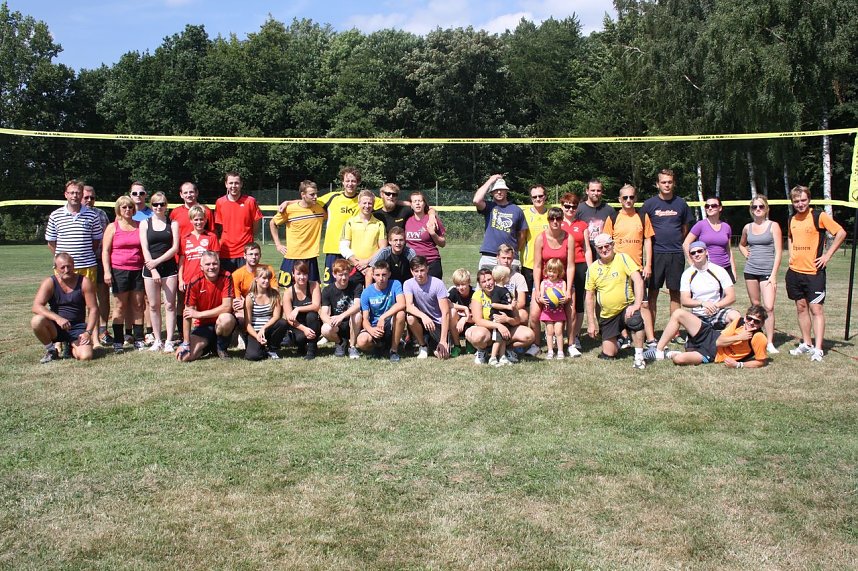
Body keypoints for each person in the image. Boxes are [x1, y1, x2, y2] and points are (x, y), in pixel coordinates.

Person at [785, 185, 847, 362]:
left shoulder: (818, 216)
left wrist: (827, 255)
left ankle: (818, 349)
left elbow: (841, 232)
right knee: (801, 307)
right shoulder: (792, 219)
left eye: (803, 200)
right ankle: (806, 343)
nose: (800, 204)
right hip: (795, 272)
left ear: (809, 200)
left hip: (814, 273)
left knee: (816, 309)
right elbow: (790, 237)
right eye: (796, 201)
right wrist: (791, 255)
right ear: (792, 202)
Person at [640, 169, 693, 342]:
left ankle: (674, 332)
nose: (667, 185)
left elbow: (685, 229)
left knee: (675, 294)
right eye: (663, 182)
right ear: (657, 184)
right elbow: (642, 229)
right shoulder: (649, 205)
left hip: (676, 254)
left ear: (674, 183)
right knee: (653, 293)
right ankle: (651, 333)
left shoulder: (681, 204)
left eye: (669, 182)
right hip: (656, 255)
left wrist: (677, 242)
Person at [602, 184, 656, 345]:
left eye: (631, 197)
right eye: (625, 197)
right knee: (620, 305)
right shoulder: (613, 217)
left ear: (635, 198)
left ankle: (651, 338)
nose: (628, 200)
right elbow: (606, 244)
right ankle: (624, 337)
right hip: (618, 270)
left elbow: (648, 240)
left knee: (643, 304)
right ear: (619, 199)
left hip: (637, 269)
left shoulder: (642, 216)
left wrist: (648, 265)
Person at [584, 233, 647, 369]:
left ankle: (639, 357)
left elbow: (638, 280)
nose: (604, 250)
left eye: (607, 246)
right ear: (596, 249)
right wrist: (591, 323)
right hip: (608, 315)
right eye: (600, 248)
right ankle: (621, 339)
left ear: (613, 245)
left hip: (626, 308)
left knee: (635, 320)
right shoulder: (593, 269)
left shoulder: (623, 258)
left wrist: (636, 304)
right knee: (609, 354)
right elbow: (589, 297)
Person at [312, 167, 380, 287]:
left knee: (351, 286)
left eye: (353, 181)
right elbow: (309, 200)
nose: (350, 184)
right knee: (330, 286)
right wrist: (288, 203)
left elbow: (389, 201)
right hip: (333, 249)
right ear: (342, 182)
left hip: (353, 253)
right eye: (347, 181)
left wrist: (407, 203)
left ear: (358, 182)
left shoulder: (363, 199)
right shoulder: (332, 197)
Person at [644, 305, 769, 369]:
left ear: (762, 323)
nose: (751, 323)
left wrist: (738, 365)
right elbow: (719, 340)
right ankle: (658, 351)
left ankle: (671, 354)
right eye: (749, 318)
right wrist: (738, 337)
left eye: (756, 321)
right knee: (678, 313)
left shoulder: (758, 337)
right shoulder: (739, 321)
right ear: (746, 316)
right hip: (711, 335)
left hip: (712, 353)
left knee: (679, 360)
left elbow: (761, 362)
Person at [31, 253, 99, 363]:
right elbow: (36, 306)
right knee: (36, 321)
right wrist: (57, 318)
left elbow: (93, 309)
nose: (66, 270)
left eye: (69, 266)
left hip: (77, 327)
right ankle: (51, 350)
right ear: (56, 268)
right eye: (62, 267)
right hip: (56, 327)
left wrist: (88, 332)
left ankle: (71, 346)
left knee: (86, 356)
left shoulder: (84, 282)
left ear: (74, 266)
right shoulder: (50, 282)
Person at [529, 207, 576, 357]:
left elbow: (570, 266)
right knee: (534, 315)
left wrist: (568, 290)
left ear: (562, 220)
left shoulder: (569, 238)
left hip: (563, 283)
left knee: (571, 313)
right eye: (552, 218)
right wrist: (537, 289)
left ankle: (571, 344)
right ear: (548, 220)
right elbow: (536, 266)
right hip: (545, 283)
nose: (555, 221)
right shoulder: (540, 238)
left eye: (558, 218)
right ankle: (536, 344)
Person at [738, 196, 782, 353]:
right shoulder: (747, 227)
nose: (758, 209)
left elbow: (778, 252)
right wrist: (747, 254)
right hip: (751, 271)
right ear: (751, 209)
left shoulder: (773, 226)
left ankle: (770, 342)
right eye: (755, 207)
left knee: (768, 307)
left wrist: (774, 275)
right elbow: (741, 244)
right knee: (756, 306)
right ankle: (757, 336)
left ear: (766, 209)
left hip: (767, 272)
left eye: (761, 206)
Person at [102, 195, 146, 352]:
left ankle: (139, 338)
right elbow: (105, 251)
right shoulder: (112, 227)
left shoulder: (141, 225)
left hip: (138, 271)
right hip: (119, 270)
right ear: (118, 209)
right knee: (120, 306)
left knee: (138, 305)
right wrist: (107, 272)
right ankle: (118, 341)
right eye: (124, 207)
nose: (128, 210)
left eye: (130, 207)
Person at [466, 268, 536, 365]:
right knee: (478, 336)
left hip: (506, 330)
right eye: (483, 281)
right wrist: (499, 326)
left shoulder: (505, 293)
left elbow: (517, 320)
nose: (488, 283)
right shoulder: (477, 295)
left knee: (529, 335)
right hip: (486, 330)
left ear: (494, 279)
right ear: (480, 284)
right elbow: (478, 320)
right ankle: (483, 350)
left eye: (489, 279)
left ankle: (506, 350)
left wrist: (507, 319)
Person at [139, 191, 180, 352]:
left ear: (166, 205)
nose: (158, 207)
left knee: (170, 305)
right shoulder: (145, 223)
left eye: (162, 204)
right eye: (155, 204)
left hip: (169, 268)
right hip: (150, 270)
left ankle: (169, 340)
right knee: (154, 306)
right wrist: (153, 268)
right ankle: (157, 340)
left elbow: (175, 248)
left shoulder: (173, 223)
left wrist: (158, 262)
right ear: (151, 205)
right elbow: (144, 248)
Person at [177, 251, 236, 361]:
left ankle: (221, 348)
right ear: (201, 267)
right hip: (203, 326)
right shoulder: (194, 282)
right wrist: (186, 342)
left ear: (219, 264)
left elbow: (227, 307)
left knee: (227, 318)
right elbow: (187, 314)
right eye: (208, 264)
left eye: (215, 264)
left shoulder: (227, 276)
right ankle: (209, 346)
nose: (211, 267)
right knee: (183, 356)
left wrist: (199, 314)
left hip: (220, 322)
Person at [45, 180, 104, 286]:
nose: (75, 196)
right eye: (71, 193)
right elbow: (51, 243)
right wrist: (62, 259)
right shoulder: (55, 215)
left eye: (77, 193)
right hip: (64, 268)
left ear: (81, 194)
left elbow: (96, 241)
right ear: (66, 194)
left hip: (87, 266)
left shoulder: (92, 216)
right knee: (65, 299)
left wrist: (84, 254)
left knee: (88, 299)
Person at [269, 180, 326, 288]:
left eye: (316, 194)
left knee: (312, 289)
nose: (315, 197)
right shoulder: (290, 209)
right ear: (303, 195)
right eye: (312, 194)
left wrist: (288, 201)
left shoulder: (319, 208)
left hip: (311, 256)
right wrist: (278, 244)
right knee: (286, 289)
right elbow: (273, 223)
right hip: (292, 256)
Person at [679, 241, 740, 329]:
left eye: (700, 251)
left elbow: (731, 297)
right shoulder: (687, 274)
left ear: (706, 252)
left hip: (717, 312)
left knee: (735, 316)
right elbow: (684, 300)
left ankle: (724, 339)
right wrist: (703, 303)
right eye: (693, 253)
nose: (697, 254)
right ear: (690, 256)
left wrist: (715, 306)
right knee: (678, 315)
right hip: (697, 315)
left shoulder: (719, 270)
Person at [473, 174, 528, 270]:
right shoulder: (489, 207)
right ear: (491, 192)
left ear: (506, 191)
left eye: (501, 189)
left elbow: (522, 235)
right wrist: (490, 180)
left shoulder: (516, 210)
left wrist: (513, 251)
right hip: (490, 256)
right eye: (495, 190)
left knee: (511, 284)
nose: (499, 192)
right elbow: (476, 200)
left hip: (510, 257)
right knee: (486, 284)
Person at [560, 192, 591, 354]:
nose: (570, 209)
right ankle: (557, 333)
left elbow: (586, 248)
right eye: (567, 206)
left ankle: (575, 335)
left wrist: (591, 268)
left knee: (578, 303)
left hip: (579, 266)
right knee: (559, 301)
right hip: (561, 267)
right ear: (562, 207)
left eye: (573, 206)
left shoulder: (583, 225)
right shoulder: (558, 223)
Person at [356, 261, 406, 361]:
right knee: (361, 341)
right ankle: (377, 346)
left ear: (389, 274)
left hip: (390, 323)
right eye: (377, 275)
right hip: (375, 326)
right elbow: (365, 319)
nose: (381, 278)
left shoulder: (395, 284)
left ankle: (394, 350)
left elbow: (402, 303)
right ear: (373, 276)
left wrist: (383, 317)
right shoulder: (366, 292)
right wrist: (371, 330)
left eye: (384, 275)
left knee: (401, 314)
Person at [404, 256, 451, 359]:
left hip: (438, 323)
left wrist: (443, 340)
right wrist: (424, 316)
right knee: (410, 318)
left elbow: (445, 313)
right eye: (416, 271)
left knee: (443, 356)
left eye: (422, 270)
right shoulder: (408, 284)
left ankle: (432, 340)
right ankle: (423, 345)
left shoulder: (437, 283)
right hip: (423, 321)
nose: (419, 274)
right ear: (411, 271)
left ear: (427, 269)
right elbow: (409, 306)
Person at [215, 171, 263, 273]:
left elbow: (256, 224)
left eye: (236, 183)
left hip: (245, 252)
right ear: (226, 184)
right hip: (226, 252)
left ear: (241, 184)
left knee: (247, 285)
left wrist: (248, 238)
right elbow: (219, 227)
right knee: (228, 285)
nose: (234, 186)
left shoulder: (250, 201)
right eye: (231, 183)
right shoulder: (220, 202)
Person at [81, 184, 111, 346]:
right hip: (82, 262)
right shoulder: (77, 214)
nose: (89, 200)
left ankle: (103, 330)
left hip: (99, 261)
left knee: (103, 297)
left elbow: (107, 240)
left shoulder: (101, 214)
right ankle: (84, 330)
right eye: (86, 197)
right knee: (84, 299)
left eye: (92, 197)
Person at [230, 242, 277, 343]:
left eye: (256, 254)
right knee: (240, 317)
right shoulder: (237, 274)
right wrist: (247, 304)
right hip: (245, 309)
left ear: (260, 255)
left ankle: (274, 340)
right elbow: (237, 303)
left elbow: (275, 293)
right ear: (244, 256)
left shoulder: (268, 270)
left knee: (279, 308)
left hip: (265, 305)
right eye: (250, 254)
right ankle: (245, 335)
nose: (253, 257)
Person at [340, 189, 387, 287]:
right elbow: (343, 247)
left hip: (372, 268)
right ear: (359, 203)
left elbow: (383, 247)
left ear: (373, 205)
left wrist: (367, 262)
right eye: (364, 203)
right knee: (353, 299)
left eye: (370, 203)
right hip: (354, 268)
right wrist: (358, 264)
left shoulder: (379, 224)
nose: (367, 206)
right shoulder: (350, 222)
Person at [243, 266, 290, 361]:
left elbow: (276, 316)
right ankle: (262, 349)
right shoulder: (250, 297)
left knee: (282, 323)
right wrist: (257, 336)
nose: (267, 281)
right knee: (253, 356)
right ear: (256, 279)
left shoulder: (274, 294)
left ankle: (272, 348)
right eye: (263, 278)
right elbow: (247, 324)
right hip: (255, 331)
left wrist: (264, 328)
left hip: (269, 328)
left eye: (268, 278)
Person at [684, 196, 737, 280]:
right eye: (707, 206)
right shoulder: (700, 225)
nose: (710, 208)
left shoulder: (726, 227)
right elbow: (686, 244)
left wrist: (733, 270)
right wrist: (692, 263)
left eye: (713, 206)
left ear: (720, 208)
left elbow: (728, 250)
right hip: (707, 269)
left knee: (728, 293)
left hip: (725, 268)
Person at [320, 259, 364, 358]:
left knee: (357, 315)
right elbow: (323, 313)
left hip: (352, 323)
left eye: (346, 274)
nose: (344, 278)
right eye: (340, 275)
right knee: (325, 329)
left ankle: (352, 346)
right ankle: (340, 343)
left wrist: (341, 316)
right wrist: (331, 322)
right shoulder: (327, 290)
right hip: (337, 325)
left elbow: (357, 306)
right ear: (334, 274)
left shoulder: (357, 286)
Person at [178, 205, 220, 304]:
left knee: (205, 305)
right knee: (188, 308)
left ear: (205, 220)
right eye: (196, 219)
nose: (199, 222)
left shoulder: (212, 237)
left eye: (201, 219)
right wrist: (180, 280)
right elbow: (181, 261)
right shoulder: (185, 238)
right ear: (191, 221)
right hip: (189, 279)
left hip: (206, 278)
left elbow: (216, 260)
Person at [282, 260, 322, 360]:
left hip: (313, 323)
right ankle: (300, 346)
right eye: (298, 274)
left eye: (305, 274)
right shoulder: (288, 292)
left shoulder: (314, 285)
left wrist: (298, 309)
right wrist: (304, 329)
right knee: (300, 338)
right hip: (298, 325)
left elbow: (316, 306)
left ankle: (312, 350)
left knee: (312, 315)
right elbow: (289, 318)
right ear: (293, 274)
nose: (302, 277)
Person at [405, 191, 446, 280]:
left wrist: (433, 234)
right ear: (411, 205)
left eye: (420, 201)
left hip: (431, 263)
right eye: (415, 201)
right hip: (413, 265)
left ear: (424, 204)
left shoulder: (431, 220)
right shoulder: (407, 220)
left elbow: (443, 243)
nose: (418, 203)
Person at [519, 185, 550, 291]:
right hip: (529, 264)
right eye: (534, 197)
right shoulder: (524, 214)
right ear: (531, 198)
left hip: (548, 265)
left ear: (545, 196)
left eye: (540, 196)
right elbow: (520, 238)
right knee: (528, 299)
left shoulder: (552, 215)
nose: (538, 199)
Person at [576, 178, 617, 252]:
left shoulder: (609, 210)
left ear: (602, 192)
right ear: (587, 191)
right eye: (593, 190)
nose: (596, 193)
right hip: (584, 252)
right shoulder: (578, 209)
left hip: (604, 252)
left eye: (598, 190)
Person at [539, 258, 568, 360]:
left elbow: (565, 296)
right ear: (546, 270)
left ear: (559, 272)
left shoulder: (562, 283)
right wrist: (542, 300)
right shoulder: (544, 283)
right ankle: (550, 351)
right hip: (548, 312)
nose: (551, 274)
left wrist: (564, 300)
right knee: (549, 332)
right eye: (549, 271)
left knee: (559, 331)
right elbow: (541, 297)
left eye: (554, 272)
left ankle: (560, 351)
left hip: (559, 311)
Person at [487, 265, 515, 366]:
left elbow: (508, 301)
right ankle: (493, 358)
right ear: (503, 278)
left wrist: (512, 304)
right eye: (508, 276)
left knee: (503, 338)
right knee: (498, 339)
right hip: (497, 318)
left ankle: (502, 356)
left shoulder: (505, 289)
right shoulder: (497, 290)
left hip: (504, 319)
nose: (510, 278)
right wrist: (507, 307)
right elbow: (494, 304)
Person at [447, 268, 475, 356]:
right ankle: (457, 345)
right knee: (452, 312)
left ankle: (470, 342)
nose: (460, 287)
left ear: (469, 282)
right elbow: (446, 303)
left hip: (472, 323)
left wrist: (464, 319)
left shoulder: (475, 293)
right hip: (456, 325)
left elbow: (477, 316)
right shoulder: (453, 291)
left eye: (463, 284)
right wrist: (464, 308)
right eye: (458, 285)